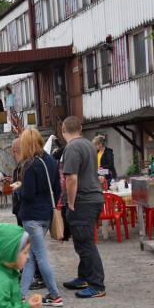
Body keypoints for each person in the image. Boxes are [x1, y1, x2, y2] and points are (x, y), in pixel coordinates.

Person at [11, 129, 64, 307]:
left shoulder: (29, 164)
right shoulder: (50, 160)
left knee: (40, 257)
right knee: (32, 257)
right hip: (46, 215)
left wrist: (18, 187)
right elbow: (57, 189)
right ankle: (21, 294)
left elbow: (29, 195)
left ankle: (55, 295)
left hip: (32, 216)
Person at [60, 116, 106, 298]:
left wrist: (70, 203)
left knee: (85, 243)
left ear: (63, 129)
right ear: (80, 128)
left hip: (83, 200)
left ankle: (97, 284)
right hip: (93, 197)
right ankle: (84, 276)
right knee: (82, 241)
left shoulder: (71, 148)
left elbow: (71, 178)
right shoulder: (88, 144)